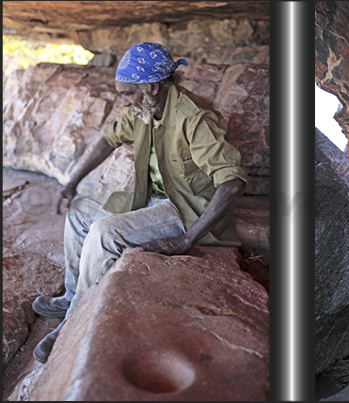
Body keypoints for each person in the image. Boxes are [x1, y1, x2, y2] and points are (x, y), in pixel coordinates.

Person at [31, 42, 248, 364]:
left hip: (186, 206)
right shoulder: (144, 110)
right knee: (79, 211)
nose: (125, 101)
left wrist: (187, 239)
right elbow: (108, 138)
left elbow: (232, 182)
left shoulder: (194, 118)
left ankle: (71, 324)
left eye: (127, 93)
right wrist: (72, 182)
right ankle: (72, 295)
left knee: (106, 232)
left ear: (152, 87)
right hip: (152, 197)